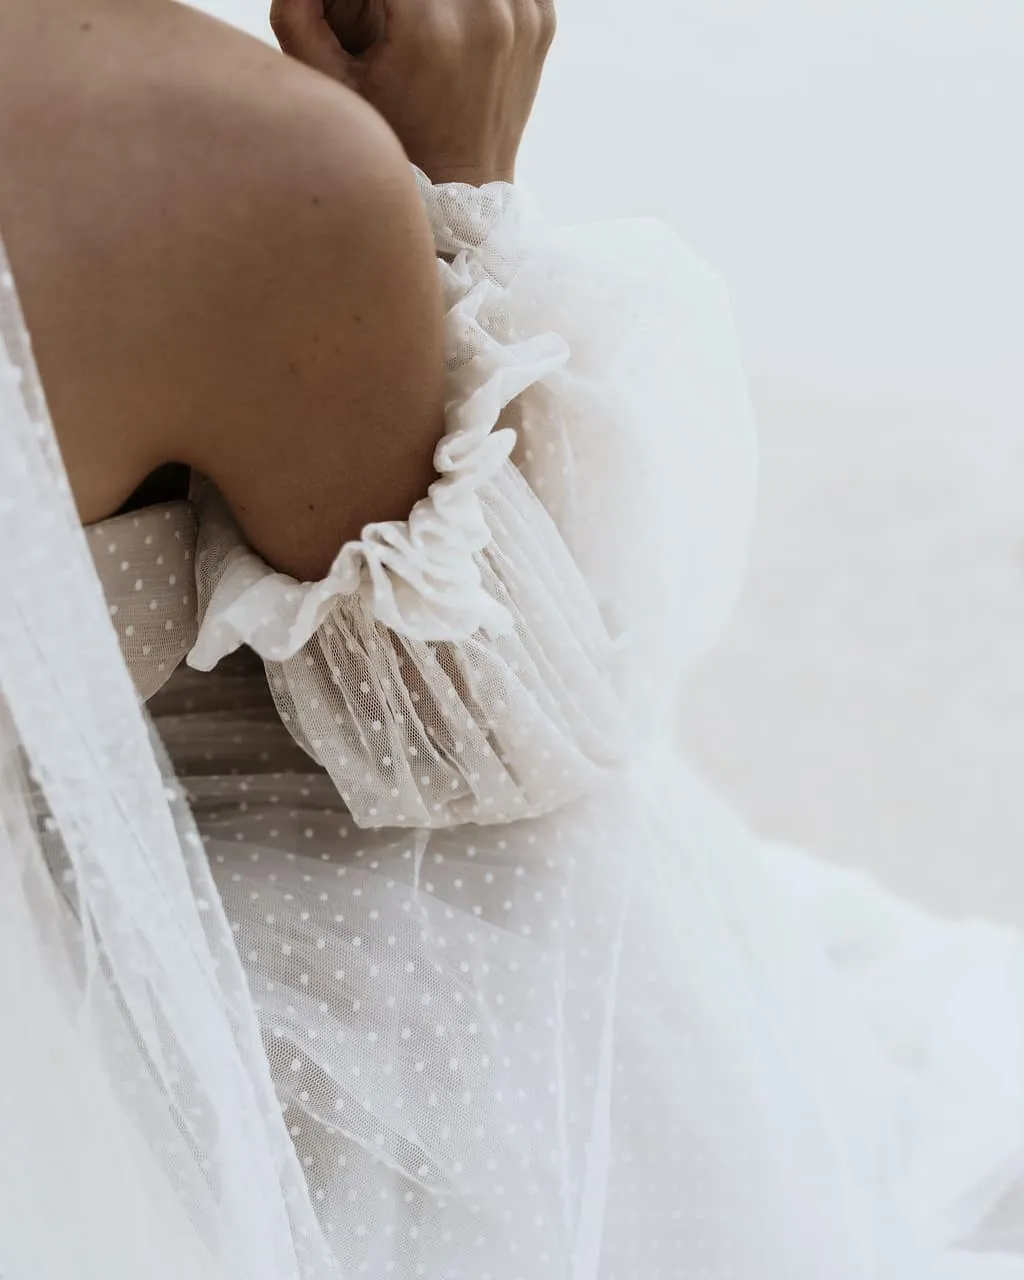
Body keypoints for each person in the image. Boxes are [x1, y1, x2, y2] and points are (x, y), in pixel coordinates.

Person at [1, 1, 1023, 1277]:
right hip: (137, 1027)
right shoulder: (225, 162)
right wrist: (448, 196)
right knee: (551, 858)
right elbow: (482, 736)